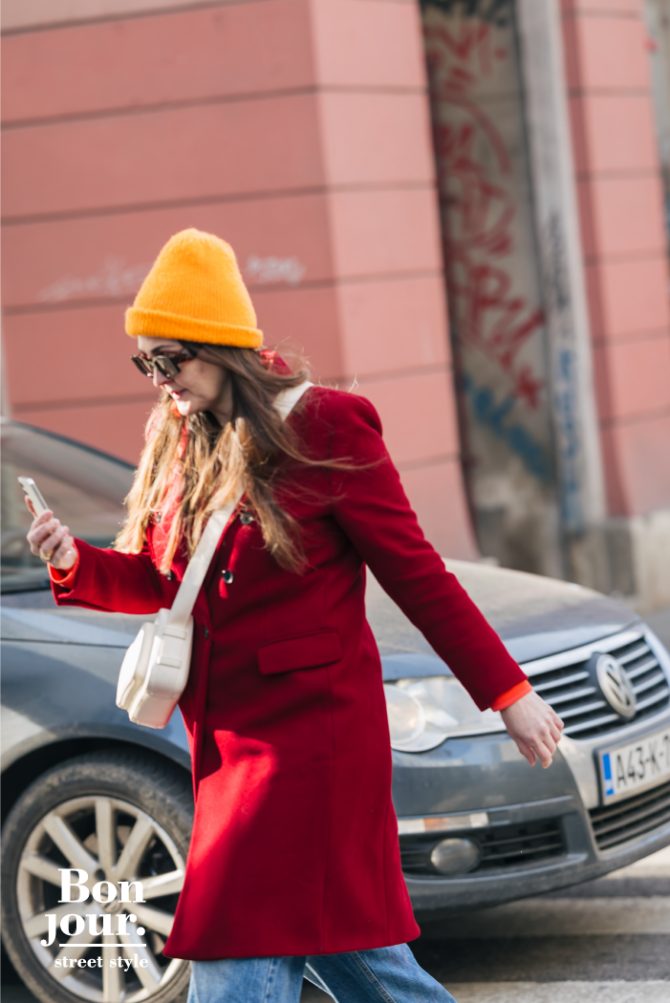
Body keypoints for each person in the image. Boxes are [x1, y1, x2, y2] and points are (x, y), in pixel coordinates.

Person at [26, 228, 564, 1003]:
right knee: (360, 962)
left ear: (221, 345)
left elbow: (419, 575)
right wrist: (73, 560)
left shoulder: (326, 426)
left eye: (170, 359)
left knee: (237, 943)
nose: (159, 380)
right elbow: (161, 580)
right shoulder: (182, 438)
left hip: (311, 747)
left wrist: (509, 694)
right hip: (228, 748)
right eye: (145, 363)